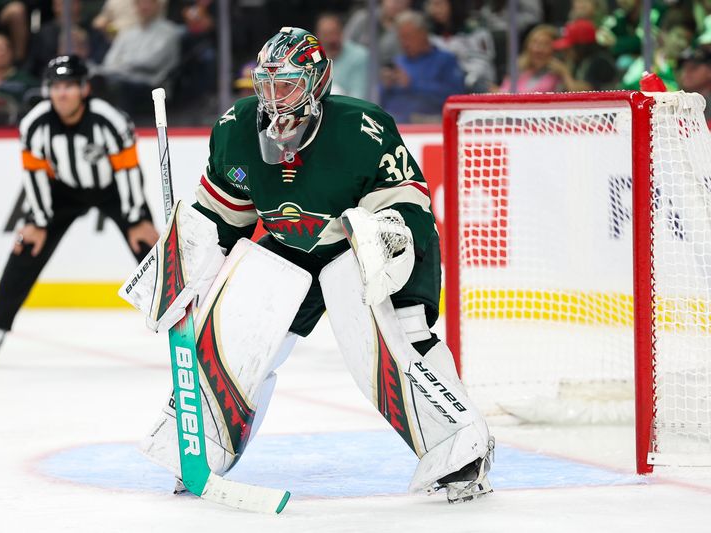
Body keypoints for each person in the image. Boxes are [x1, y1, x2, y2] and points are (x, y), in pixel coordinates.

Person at [130, 27, 494, 504]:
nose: (273, 99)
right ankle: (203, 446)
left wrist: (382, 245)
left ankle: (459, 449)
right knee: (234, 328)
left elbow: (409, 209)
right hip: (293, 247)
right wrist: (183, 266)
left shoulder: (362, 128)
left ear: (318, 84)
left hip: (368, 243)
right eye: (265, 84)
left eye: (287, 85)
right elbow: (220, 218)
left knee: (396, 337)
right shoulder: (235, 129)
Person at [0, 55, 158, 356]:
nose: (62, 93)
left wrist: (136, 217)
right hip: (62, 191)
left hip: (110, 188)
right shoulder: (34, 124)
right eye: (56, 86)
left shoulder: (109, 120)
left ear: (84, 89)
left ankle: (186, 324)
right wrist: (36, 221)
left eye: (70, 86)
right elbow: (34, 175)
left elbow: (128, 171)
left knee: (151, 248)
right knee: (26, 246)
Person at [380, 10, 464, 123]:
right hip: (392, 124)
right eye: (401, 38)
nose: (404, 42)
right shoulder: (397, 62)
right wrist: (385, 86)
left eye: (408, 37)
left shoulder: (445, 60)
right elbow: (378, 101)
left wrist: (412, 84)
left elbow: (454, 96)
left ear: (423, 34)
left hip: (428, 121)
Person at [315, 12, 370, 100]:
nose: (331, 39)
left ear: (342, 33)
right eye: (326, 34)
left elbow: (359, 96)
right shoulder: (310, 58)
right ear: (318, 36)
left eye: (335, 33)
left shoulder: (359, 56)